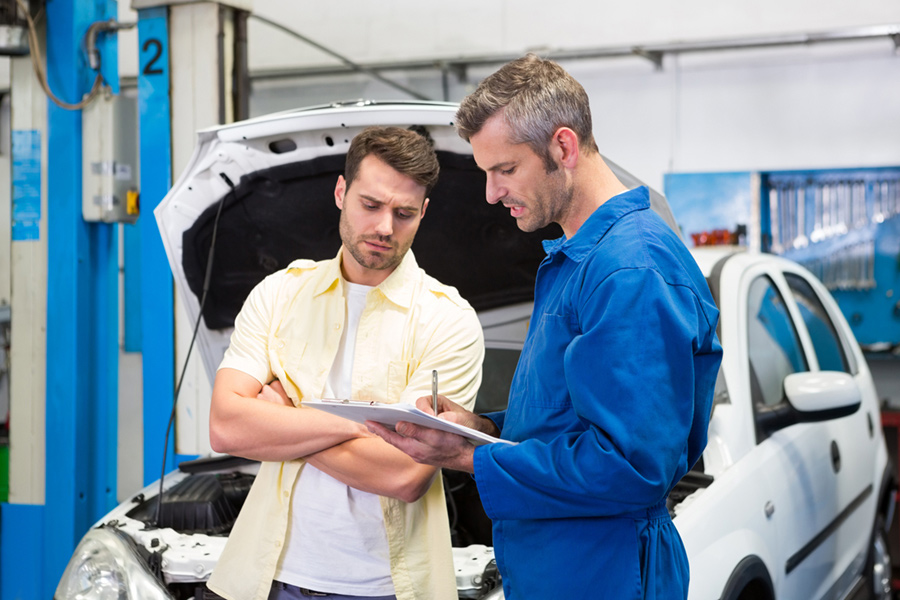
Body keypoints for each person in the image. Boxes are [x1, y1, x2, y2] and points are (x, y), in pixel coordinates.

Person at [369, 55, 723, 600]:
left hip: (606, 572)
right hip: (562, 567)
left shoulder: (630, 270)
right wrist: (482, 430)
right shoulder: (580, 259)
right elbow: (569, 416)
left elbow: (630, 465)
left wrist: (469, 458)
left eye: (504, 170)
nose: (490, 193)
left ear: (564, 147)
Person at [205, 126, 484, 600]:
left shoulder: (448, 320)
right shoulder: (279, 295)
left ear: (424, 213)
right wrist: (365, 426)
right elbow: (227, 428)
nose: (384, 228)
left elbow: (404, 474)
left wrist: (285, 418)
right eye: (370, 205)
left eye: (404, 213)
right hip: (266, 578)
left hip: (387, 589)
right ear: (341, 191)